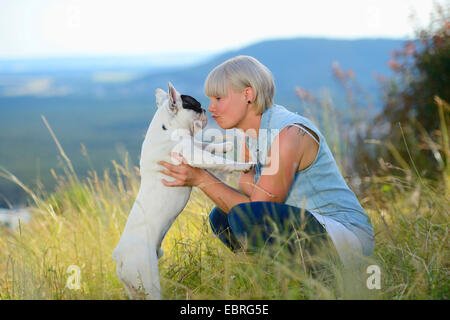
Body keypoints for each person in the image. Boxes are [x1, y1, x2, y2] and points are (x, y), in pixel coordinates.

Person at [158, 55, 374, 266]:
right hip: (310, 226)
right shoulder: (249, 133)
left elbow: (258, 207)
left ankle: (324, 276)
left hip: (347, 234)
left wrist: (200, 178)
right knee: (222, 217)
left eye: (219, 98)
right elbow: (248, 190)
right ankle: (281, 274)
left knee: (247, 215)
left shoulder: (289, 134)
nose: (211, 108)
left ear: (248, 94)